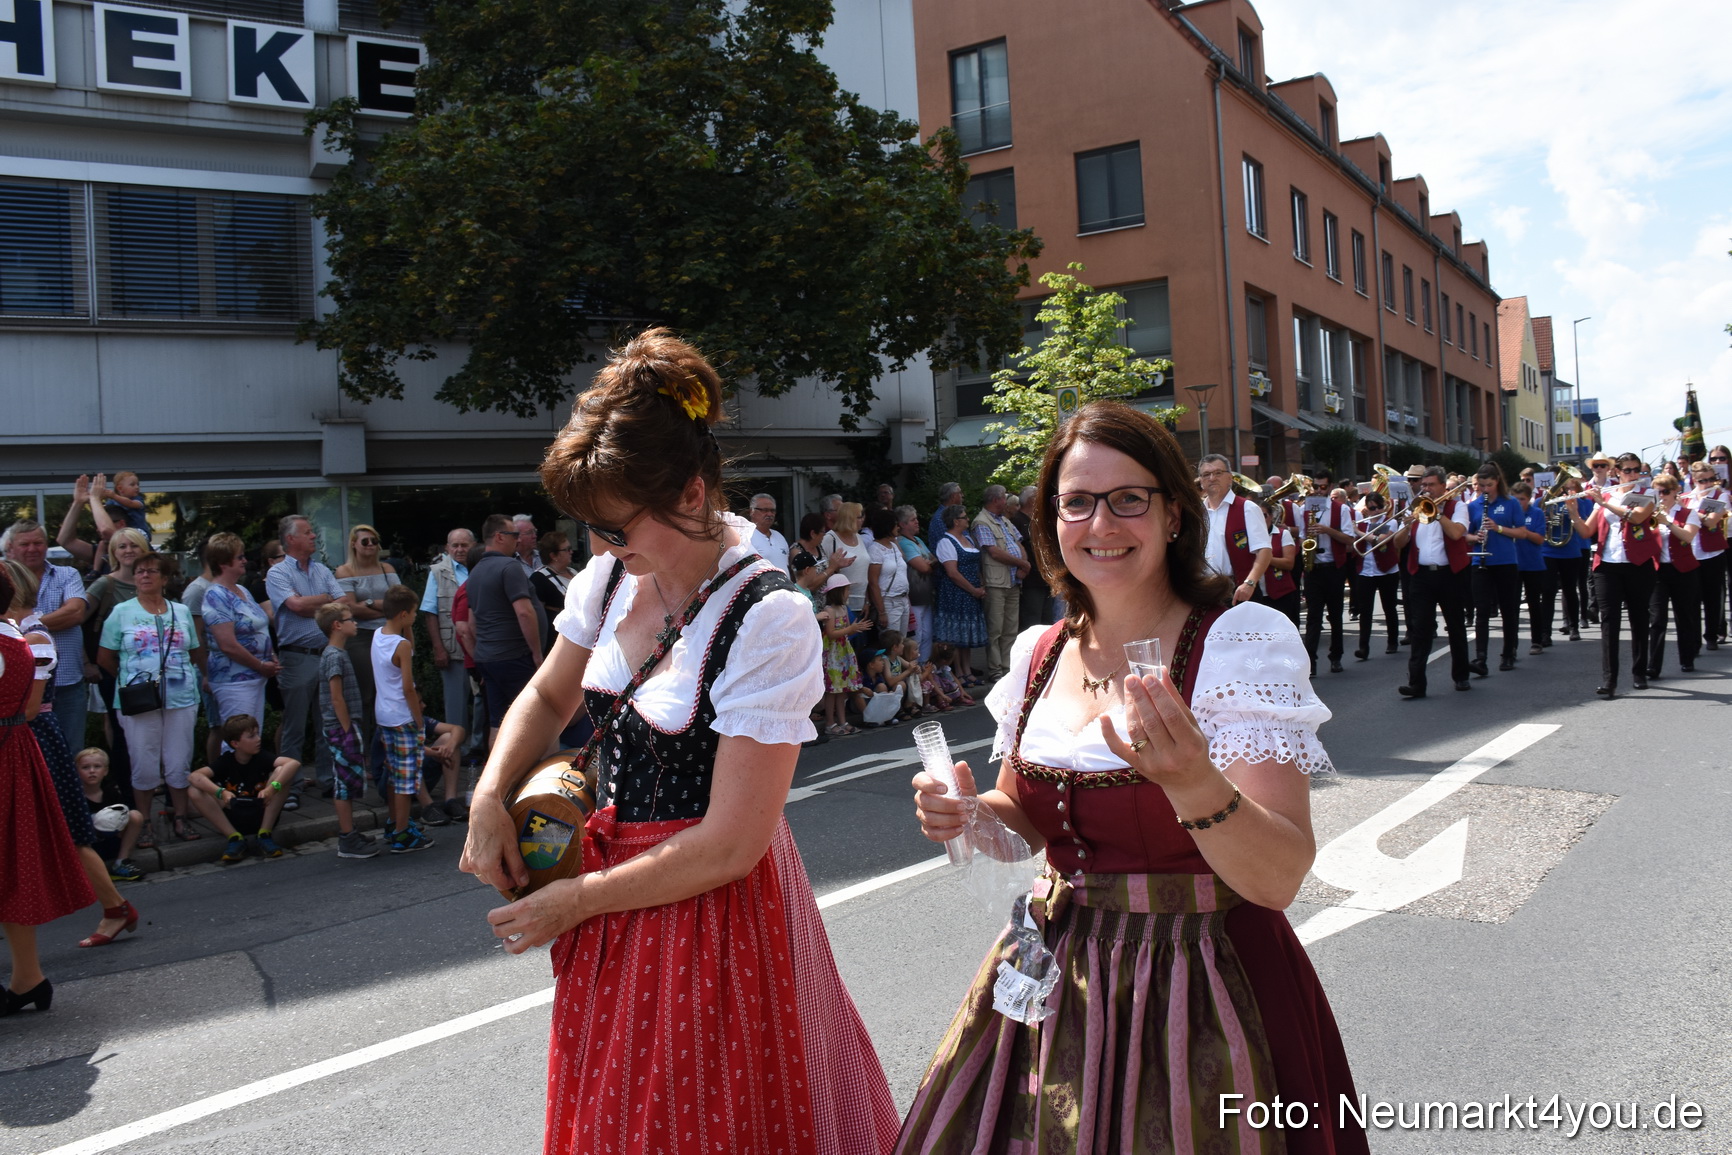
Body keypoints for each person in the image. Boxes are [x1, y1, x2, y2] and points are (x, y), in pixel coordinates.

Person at [460, 327, 898, 1154]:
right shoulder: (611, 576)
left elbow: (733, 842)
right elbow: (551, 690)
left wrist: (575, 900)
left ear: (692, 497)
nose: (603, 548)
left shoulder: (769, 616)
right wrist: (488, 796)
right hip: (615, 894)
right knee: (617, 1113)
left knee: (707, 1117)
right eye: (591, 528)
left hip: (712, 910)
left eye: (617, 527)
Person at [902, 400, 1364, 1155]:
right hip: (1056, 982)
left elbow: (1279, 877)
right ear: (1051, 521)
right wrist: (966, 814)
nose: (1101, 524)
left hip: (1204, 982)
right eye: (1077, 502)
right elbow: (1021, 817)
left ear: (1174, 513)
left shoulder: (1236, 645)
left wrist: (1192, 783)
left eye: (1128, 499)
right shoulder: (1039, 652)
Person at [4, 561, 142, 948]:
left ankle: (115, 907)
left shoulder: (32, 636)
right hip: (26, 737)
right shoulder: (20, 633)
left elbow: (28, 709)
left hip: (33, 738)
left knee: (67, 830)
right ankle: (114, 907)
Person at [1, 562, 97, 1018]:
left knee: (18, 864)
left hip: (13, 748)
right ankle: (28, 977)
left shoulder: (19, 641)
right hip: (18, 747)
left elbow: (31, 706)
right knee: (14, 866)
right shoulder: (18, 640)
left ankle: (28, 977)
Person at [97, 551, 207, 842]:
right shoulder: (121, 612)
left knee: (179, 761)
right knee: (143, 763)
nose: (144, 576)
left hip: (181, 697)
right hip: (138, 701)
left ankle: (180, 818)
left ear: (165, 578)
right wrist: (132, 679)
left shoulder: (180, 611)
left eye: (151, 571)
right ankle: (143, 821)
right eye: (139, 572)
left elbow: (193, 650)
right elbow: (105, 657)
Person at [1565, 452, 1657, 698]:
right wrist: (1573, 512)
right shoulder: (1604, 495)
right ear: (1617, 472)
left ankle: (1639, 672)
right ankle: (1610, 679)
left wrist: (1604, 503)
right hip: (1607, 565)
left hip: (1638, 564)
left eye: (1636, 470)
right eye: (1627, 470)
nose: (1633, 474)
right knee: (1609, 622)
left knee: (1639, 618)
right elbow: (1586, 531)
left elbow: (1637, 516)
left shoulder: (1647, 495)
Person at [266, 514, 345, 797]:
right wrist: (325, 599)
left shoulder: (322, 570)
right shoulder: (278, 573)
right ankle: (289, 788)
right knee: (294, 727)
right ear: (291, 539)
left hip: (325, 655)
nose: (313, 536)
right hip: (296, 658)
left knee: (327, 723)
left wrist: (316, 601)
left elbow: (343, 603)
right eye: (308, 532)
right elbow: (295, 605)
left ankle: (326, 780)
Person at [2, 519, 90, 755]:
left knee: (71, 752)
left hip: (68, 681)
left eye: (38, 543)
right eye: (25, 544)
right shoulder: (4, 578)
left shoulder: (66, 574)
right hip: (22, 691)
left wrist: (19, 630)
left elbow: (75, 612)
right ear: (10, 548)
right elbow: (65, 614)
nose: (33, 549)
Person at [1390, 466, 1473, 698]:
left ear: (1443, 486)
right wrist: (1406, 525)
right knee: (1420, 630)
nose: (1426, 489)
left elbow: (1457, 533)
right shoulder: (1416, 508)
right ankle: (1416, 683)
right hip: (1421, 575)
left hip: (1450, 574)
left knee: (1455, 626)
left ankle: (1461, 676)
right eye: (1424, 485)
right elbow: (1398, 544)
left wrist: (1436, 512)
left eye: (1431, 485)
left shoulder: (1458, 507)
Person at [466, 513, 546, 745]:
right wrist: (537, 653)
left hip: (489, 658)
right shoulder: (510, 566)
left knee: (498, 722)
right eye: (514, 535)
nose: (518, 541)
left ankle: (499, 778)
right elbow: (524, 611)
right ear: (499, 537)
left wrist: (480, 654)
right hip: (514, 656)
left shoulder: (475, 572)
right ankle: (534, 778)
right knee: (535, 719)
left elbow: (471, 624)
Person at [200, 533, 279, 747]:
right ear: (224, 562)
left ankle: (252, 780)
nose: (245, 561)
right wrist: (260, 665)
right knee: (238, 739)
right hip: (233, 681)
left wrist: (270, 656)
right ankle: (233, 781)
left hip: (255, 678)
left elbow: (259, 625)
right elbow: (227, 644)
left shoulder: (242, 590)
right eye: (239, 557)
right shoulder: (216, 596)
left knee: (253, 736)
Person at [315, 602, 381, 859]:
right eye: (350, 619)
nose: (355, 622)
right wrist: (347, 730)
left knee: (348, 780)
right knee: (343, 782)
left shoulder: (337, 653)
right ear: (337, 625)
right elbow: (336, 698)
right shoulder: (334, 655)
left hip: (343, 726)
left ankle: (350, 831)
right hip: (341, 728)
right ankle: (347, 837)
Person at [188, 714, 302, 862]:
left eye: (257, 734)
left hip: (261, 811)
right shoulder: (226, 761)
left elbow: (293, 763)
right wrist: (220, 792)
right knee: (194, 790)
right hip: (234, 815)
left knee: (282, 772)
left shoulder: (262, 756)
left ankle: (264, 834)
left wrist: (271, 788)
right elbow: (194, 777)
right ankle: (234, 838)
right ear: (235, 744)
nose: (258, 739)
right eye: (251, 736)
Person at [373, 584, 435, 853]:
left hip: (384, 713)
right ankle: (401, 833)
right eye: (411, 613)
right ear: (402, 614)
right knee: (406, 777)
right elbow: (408, 687)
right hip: (402, 715)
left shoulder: (379, 635)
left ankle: (394, 822)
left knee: (393, 772)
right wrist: (419, 719)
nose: (414, 617)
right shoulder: (402, 645)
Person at [336, 523, 403, 748]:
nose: (371, 545)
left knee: (391, 691)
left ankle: (389, 746)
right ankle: (364, 750)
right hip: (361, 637)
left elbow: (401, 602)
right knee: (367, 695)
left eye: (375, 541)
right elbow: (351, 609)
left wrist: (369, 602)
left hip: (389, 636)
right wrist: (384, 607)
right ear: (353, 544)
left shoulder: (387, 569)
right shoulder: (345, 571)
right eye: (365, 541)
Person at [1466, 464, 1530, 675]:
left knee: (1508, 610)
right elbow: (1465, 535)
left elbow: (1521, 533)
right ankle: (1480, 658)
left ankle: (1508, 653)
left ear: (1497, 482)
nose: (1485, 489)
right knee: (1481, 611)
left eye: (1489, 485)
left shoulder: (1510, 503)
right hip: (1480, 562)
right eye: (1482, 485)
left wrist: (1498, 528)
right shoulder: (1473, 505)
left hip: (1505, 561)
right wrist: (1476, 537)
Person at [420, 527, 475, 753]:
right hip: (453, 650)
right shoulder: (437, 572)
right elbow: (430, 612)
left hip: (482, 649)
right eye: (455, 545)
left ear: (473, 546)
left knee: (483, 705)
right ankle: (455, 753)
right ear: (447, 548)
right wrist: (438, 648)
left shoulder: (480, 568)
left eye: (464, 545)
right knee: (456, 706)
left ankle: (479, 748)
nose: (460, 549)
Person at [1298, 471, 1355, 675]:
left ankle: (1335, 657)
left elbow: (1349, 540)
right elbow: (1302, 538)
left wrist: (1326, 530)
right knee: (1313, 616)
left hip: (1334, 567)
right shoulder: (1305, 508)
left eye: (1323, 487)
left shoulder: (1341, 510)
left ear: (1330, 487)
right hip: (1314, 568)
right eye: (1315, 487)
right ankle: (1310, 661)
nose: (1318, 491)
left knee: (1335, 614)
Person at [972, 485, 1031, 679]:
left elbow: (1019, 543)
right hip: (996, 582)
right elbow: (994, 552)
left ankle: (1008, 668)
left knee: (1010, 628)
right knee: (995, 629)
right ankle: (996, 670)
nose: (1006, 501)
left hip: (1013, 581)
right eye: (1004, 498)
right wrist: (1022, 563)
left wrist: (1023, 566)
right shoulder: (981, 522)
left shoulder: (1004, 521)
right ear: (996, 500)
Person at [1197, 455, 1271, 606]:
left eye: (1218, 473)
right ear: (1201, 482)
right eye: (1206, 474)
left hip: (1238, 591)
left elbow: (1264, 550)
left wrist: (1249, 583)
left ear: (1230, 478)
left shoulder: (1248, 508)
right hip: (1204, 591)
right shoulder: (1197, 512)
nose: (1212, 478)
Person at [1647, 475, 1701, 678]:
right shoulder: (1650, 513)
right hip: (1659, 570)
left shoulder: (1688, 513)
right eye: (1657, 492)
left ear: (1674, 492)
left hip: (1684, 570)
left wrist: (1667, 523)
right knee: (1657, 618)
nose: (1661, 496)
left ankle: (1687, 659)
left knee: (1684, 616)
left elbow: (1687, 537)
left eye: (1665, 492)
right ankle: (1653, 665)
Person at [933, 503, 988, 686]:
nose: (967, 520)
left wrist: (980, 585)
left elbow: (975, 564)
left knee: (967, 635)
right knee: (956, 635)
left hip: (972, 592)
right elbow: (952, 573)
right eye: (964, 517)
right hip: (956, 593)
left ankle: (967, 669)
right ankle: (959, 673)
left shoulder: (968, 539)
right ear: (956, 521)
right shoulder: (946, 542)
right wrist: (973, 590)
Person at [76, 748, 146, 882]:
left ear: (105, 771)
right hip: (88, 848)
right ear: (77, 771)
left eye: (97, 766)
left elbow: (123, 817)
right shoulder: (75, 797)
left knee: (135, 815)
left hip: (112, 841)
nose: (92, 771)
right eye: (85, 767)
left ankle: (121, 863)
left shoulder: (111, 792)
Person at [1540, 476, 1591, 644]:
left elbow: (1582, 525)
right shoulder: (1541, 501)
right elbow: (1533, 522)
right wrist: (1543, 521)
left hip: (1570, 550)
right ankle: (1545, 632)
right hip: (1548, 550)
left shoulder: (1575, 501)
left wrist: (1572, 512)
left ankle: (1574, 626)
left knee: (1570, 590)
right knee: (1547, 591)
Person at [1350, 492, 1401, 658]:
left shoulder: (1390, 522)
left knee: (1389, 607)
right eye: (1372, 508)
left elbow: (1380, 540)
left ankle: (1392, 641)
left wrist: (1357, 531)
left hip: (1386, 571)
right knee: (1365, 611)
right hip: (1366, 571)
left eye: (1378, 507)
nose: (1375, 511)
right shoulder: (1363, 523)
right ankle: (1363, 648)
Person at [820, 574, 869, 735]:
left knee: (842, 690)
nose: (848, 592)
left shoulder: (843, 608)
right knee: (832, 690)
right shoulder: (829, 610)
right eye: (846, 589)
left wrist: (854, 628)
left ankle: (842, 721)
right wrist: (851, 629)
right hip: (833, 653)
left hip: (843, 652)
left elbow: (846, 628)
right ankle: (830, 722)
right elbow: (831, 633)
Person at [1686, 460, 1727, 650]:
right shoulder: (1686, 497)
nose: (1709, 483)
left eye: (1712, 479)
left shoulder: (1721, 496)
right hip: (1690, 552)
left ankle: (1711, 635)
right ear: (1695, 480)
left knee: (1712, 597)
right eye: (1703, 480)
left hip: (1712, 553)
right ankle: (1693, 638)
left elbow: (1711, 523)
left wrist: (1693, 513)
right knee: (1692, 598)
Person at [1510, 483, 1555, 653]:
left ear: (1528, 499)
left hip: (1533, 564)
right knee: (1512, 606)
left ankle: (1537, 640)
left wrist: (1521, 531)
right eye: (1515, 499)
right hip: (1512, 564)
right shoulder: (1509, 513)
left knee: (1534, 603)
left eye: (1522, 499)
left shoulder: (1536, 513)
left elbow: (1539, 539)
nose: (1518, 502)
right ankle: (1512, 645)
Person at [894, 505, 938, 662]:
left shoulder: (918, 540)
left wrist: (929, 562)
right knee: (917, 634)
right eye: (913, 520)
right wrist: (929, 563)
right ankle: (914, 668)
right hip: (914, 595)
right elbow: (924, 567)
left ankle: (924, 667)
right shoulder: (903, 542)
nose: (917, 522)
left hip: (925, 594)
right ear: (903, 524)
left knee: (927, 633)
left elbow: (933, 558)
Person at [55, 473, 118, 575]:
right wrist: (78, 503)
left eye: (102, 521)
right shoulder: (101, 552)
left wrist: (95, 498)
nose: (98, 529)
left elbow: (107, 531)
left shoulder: (137, 546)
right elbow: (65, 540)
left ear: (122, 524)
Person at [821, 501, 873, 621]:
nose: (863, 520)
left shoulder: (858, 537)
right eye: (859, 517)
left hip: (861, 601)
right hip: (841, 603)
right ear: (849, 519)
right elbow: (823, 568)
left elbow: (864, 571)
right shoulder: (830, 539)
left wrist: (867, 601)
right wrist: (836, 566)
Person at [866, 508, 909, 641]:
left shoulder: (894, 546)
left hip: (903, 600)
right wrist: (882, 612)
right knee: (891, 644)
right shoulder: (875, 550)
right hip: (889, 602)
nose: (898, 527)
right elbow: (873, 582)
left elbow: (903, 558)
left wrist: (894, 540)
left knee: (902, 643)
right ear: (887, 526)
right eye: (895, 524)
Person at [530, 531, 578, 652]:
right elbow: (537, 616)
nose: (571, 552)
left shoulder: (573, 572)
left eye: (570, 548)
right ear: (553, 556)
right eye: (567, 549)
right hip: (557, 641)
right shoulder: (539, 579)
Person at [1013, 484, 1052, 628]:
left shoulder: (1036, 520)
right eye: (1038, 497)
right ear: (1031, 500)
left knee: (1047, 620)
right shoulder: (1017, 520)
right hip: (1031, 580)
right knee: (1032, 621)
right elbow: (1019, 547)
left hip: (1045, 578)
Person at [746, 493, 790, 571]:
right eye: (765, 510)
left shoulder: (779, 536)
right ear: (751, 512)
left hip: (784, 582)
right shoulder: (746, 536)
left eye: (772, 511)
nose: (769, 514)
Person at [928, 480, 963, 547]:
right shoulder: (940, 519)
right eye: (960, 493)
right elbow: (949, 546)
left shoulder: (954, 515)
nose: (962, 495)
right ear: (953, 496)